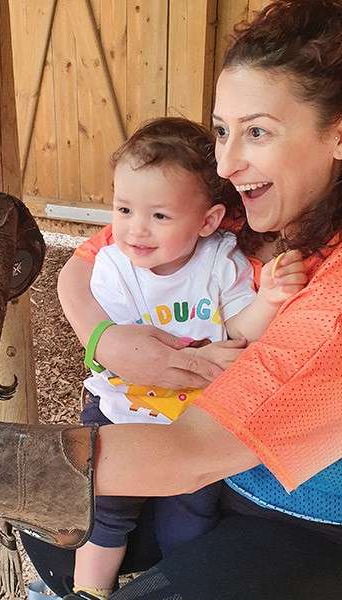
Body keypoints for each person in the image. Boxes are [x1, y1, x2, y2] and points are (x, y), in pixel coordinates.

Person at [20, 1, 342, 598]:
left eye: (258, 131)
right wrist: (104, 338)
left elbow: (194, 449)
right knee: (50, 530)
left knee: (70, 510)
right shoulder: (251, 209)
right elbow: (90, 257)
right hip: (218, 468)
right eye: (222, 129)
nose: (226, 161)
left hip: (303, 514)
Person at [72, 117, 307, 600]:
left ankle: (173, 582)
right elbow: (126, 353)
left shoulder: (222, 261)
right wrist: (203, 354)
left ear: (207, 221)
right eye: (123, 209)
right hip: (123, 411)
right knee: (105, 511)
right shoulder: (114, 267)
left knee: (192, 511)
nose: (135, 229)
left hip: (195, 423)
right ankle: (84, 590)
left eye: (159, 216)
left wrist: (270, 300)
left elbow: (240, 332)